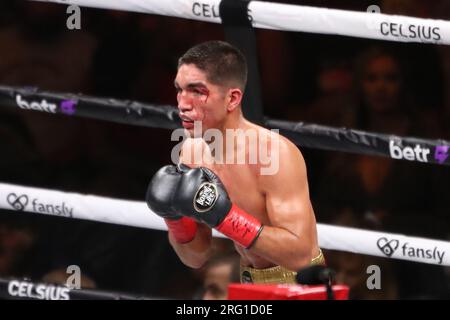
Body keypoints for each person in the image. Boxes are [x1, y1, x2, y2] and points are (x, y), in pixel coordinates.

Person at [146, 40, 324, 285]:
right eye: (180, 89)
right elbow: (196, 257)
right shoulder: (191, 151)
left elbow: (301, 255)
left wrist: (227, 218)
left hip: (300, 284)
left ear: (232, 99)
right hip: (249, 280)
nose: (183, 104)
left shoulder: (274, 153)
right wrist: (175, 220)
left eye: (197, 91)